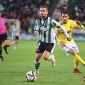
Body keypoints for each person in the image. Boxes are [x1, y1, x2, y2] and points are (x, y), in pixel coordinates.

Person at [33, 5, 71, 75]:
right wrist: (35, 32)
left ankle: (52, 57)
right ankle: (36, 71)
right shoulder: (37, 21)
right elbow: (36, 28)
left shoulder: (51, 21)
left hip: (50, 42)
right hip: (42, 41)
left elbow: (61, 27)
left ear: (47, 12)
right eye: (41, 11)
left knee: (45, 57)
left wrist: (67, 36)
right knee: (37, 57)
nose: (42, 12)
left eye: (43, 11)